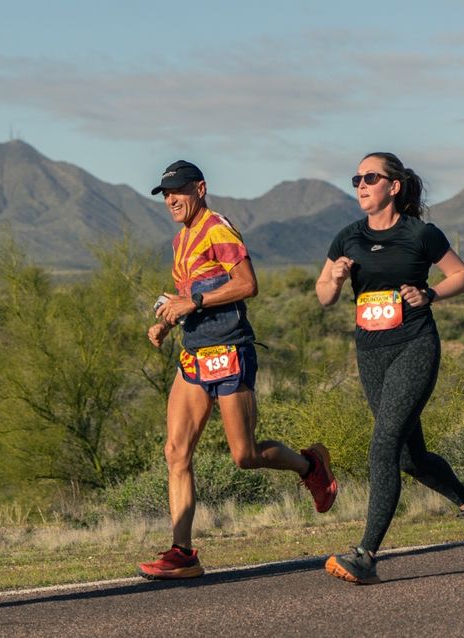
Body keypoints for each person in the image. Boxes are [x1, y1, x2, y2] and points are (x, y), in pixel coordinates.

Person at [138, 161, 338, 580]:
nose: (171, 200)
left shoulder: (218, 228)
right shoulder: (180, 241)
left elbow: (247, 284)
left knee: (244, 456)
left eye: (178, 191)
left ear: (201, 189)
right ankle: (183, 553)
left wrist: (192, 303)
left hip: (230, 350)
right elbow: (186, 292)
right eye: (165, 194)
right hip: (194, 354)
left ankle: (310, 466)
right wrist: (167, 318)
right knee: (176, 452)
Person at [315, 153, 464, 584]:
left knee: (383, 445)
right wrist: (336, 279)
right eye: (357, 178)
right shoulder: (347, 238)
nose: (361, 184)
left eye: (370, 178)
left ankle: (365, 554)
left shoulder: (421, 233)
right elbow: (323, 295)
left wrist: (430, 294)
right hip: (371, 354)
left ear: (393, 186)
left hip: (415, 346)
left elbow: (461, 274)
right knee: (410, 458)